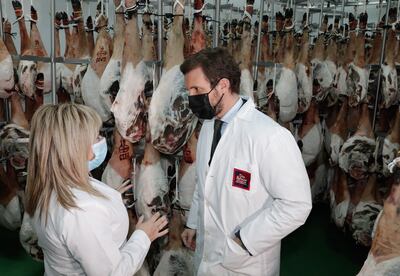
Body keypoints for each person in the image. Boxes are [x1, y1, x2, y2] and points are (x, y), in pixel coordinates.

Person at [180, 47, 312, 275]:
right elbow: (204, 184)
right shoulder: (209, 125)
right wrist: (194, 223)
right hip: (208, 255)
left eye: (197, 89)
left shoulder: (270, 136)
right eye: (188, 91)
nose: (192, 98)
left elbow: (297, 205)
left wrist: (244, 240)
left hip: (245, 264)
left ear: (223, 85)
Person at [25, 103, 168, 276]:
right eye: (95, 137)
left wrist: (109, 197)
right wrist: (143, 236)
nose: (100, 141)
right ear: (75, 148)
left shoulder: (47, 186)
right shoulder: (83, 211)